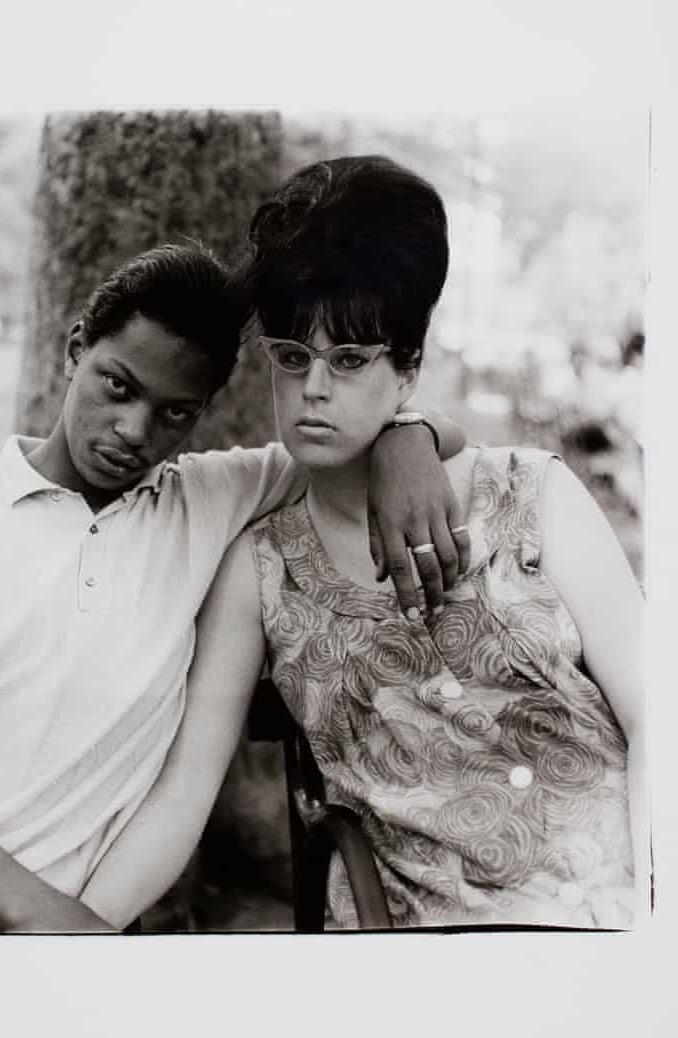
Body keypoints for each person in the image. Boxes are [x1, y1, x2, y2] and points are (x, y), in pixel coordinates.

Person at [0, 242, 468, 933]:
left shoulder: (208, 499)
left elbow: (360, 437)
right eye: (118, 386)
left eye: (175, 413)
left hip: (43, 930)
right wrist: (38, 916)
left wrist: (412, 432)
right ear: (77, 348)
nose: (133, 432)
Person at [81, 158, 645, 930]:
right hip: (417, 933)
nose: (313, 389)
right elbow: (184, 792)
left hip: (621, 900)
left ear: (408, 369)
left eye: (348, 361)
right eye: (291, 357)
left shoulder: (533, 493)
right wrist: (56, 935)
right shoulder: (261, 567)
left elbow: (657, 715)